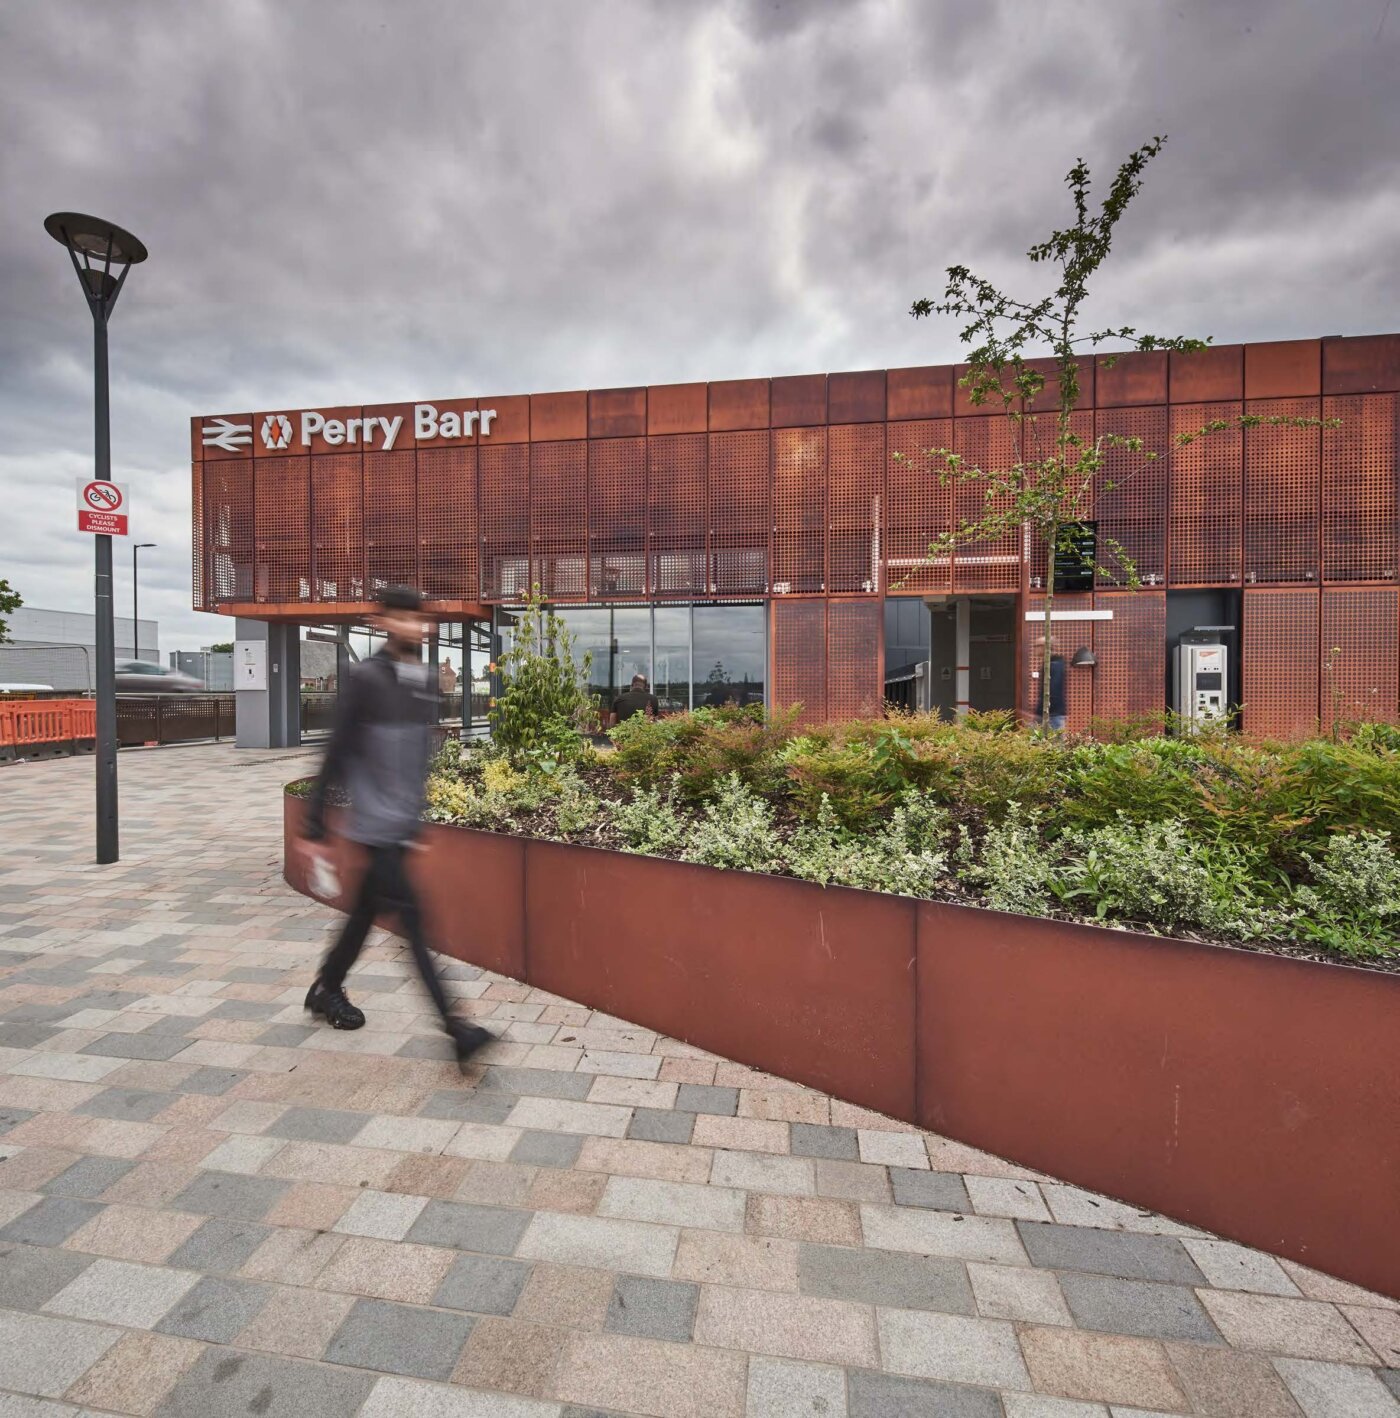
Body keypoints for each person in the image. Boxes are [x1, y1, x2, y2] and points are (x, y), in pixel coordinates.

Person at [298, 585, 493, 1070]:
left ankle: (327, 987)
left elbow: (416, 757)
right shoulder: (365, 678)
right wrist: (314, 826)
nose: (414, 627)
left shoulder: (423, 679)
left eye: (419, 619)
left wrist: (417, 816)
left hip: (400, 821)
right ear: (383, 621)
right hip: (373, 823)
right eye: (403, 618)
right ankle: (457, 1028)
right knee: (414, 920)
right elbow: (337, 750)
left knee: (365, 913)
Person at [1031, 637, 1068, 732]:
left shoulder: (1054, 665)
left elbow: (1052, 691)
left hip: (1052, 715)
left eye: (1037, 646)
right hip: (1051, 714)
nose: (1035, 648)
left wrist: (1039, 714)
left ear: (1046, 647)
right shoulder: (1051, 664)